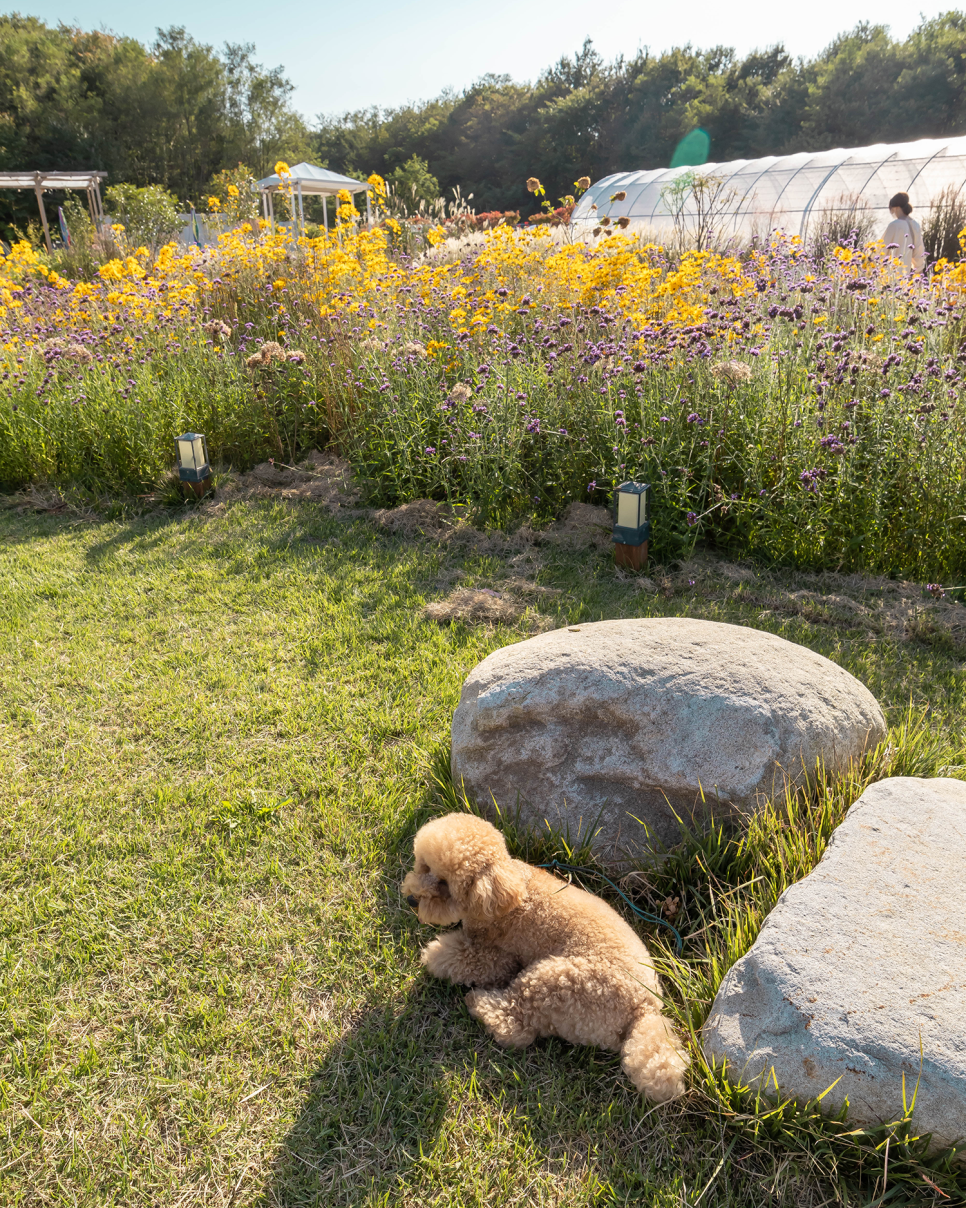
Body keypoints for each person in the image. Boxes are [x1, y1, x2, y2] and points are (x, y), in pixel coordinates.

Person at [883, 192, 925, 273]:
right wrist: (918, 273)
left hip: (890, 274)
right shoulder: (915, 225)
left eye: (892, 210)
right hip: (906, 276)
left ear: (896, 208)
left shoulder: (894, 225)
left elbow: (881, 250)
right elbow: (919, 254)